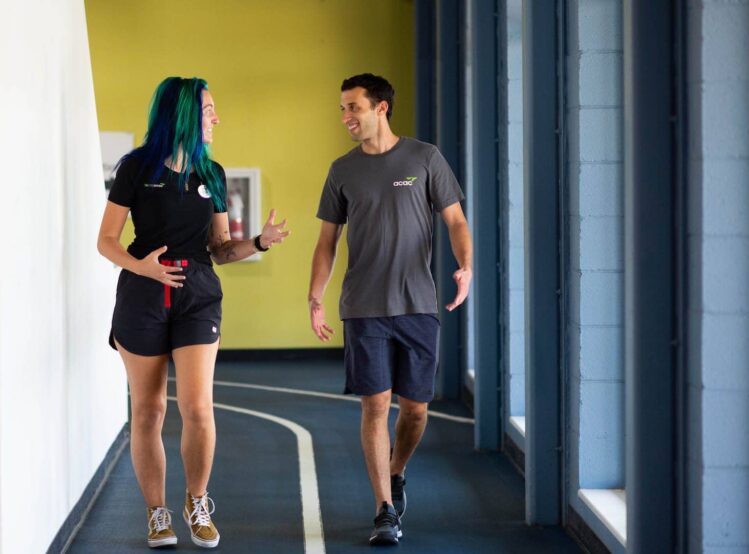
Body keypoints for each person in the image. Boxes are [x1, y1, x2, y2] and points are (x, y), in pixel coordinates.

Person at [97, 76, 289, 549]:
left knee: (198, 409)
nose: (215, 118)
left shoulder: (213, 174)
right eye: (208, 111)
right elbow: (106, 241)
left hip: (198, 294)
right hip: (143, 295)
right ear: (182, 114)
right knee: (148, 411)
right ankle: (157, 513)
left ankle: (197, 501)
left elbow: (221, 249)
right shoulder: (135, 168)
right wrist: (140, 266)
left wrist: (260, 242)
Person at [308, 73, 472, 545]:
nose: (345, 117)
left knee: (415, 411)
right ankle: (384, 508)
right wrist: (315, 296)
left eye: (353, 107)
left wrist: (466, 266)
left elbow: (456, 220)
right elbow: (326, 242)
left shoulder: (424, 158)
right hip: (363, 307)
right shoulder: (342, 170)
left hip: (418, 304)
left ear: (381, 107)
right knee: (375, 404)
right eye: (342, 109)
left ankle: (397, 471)